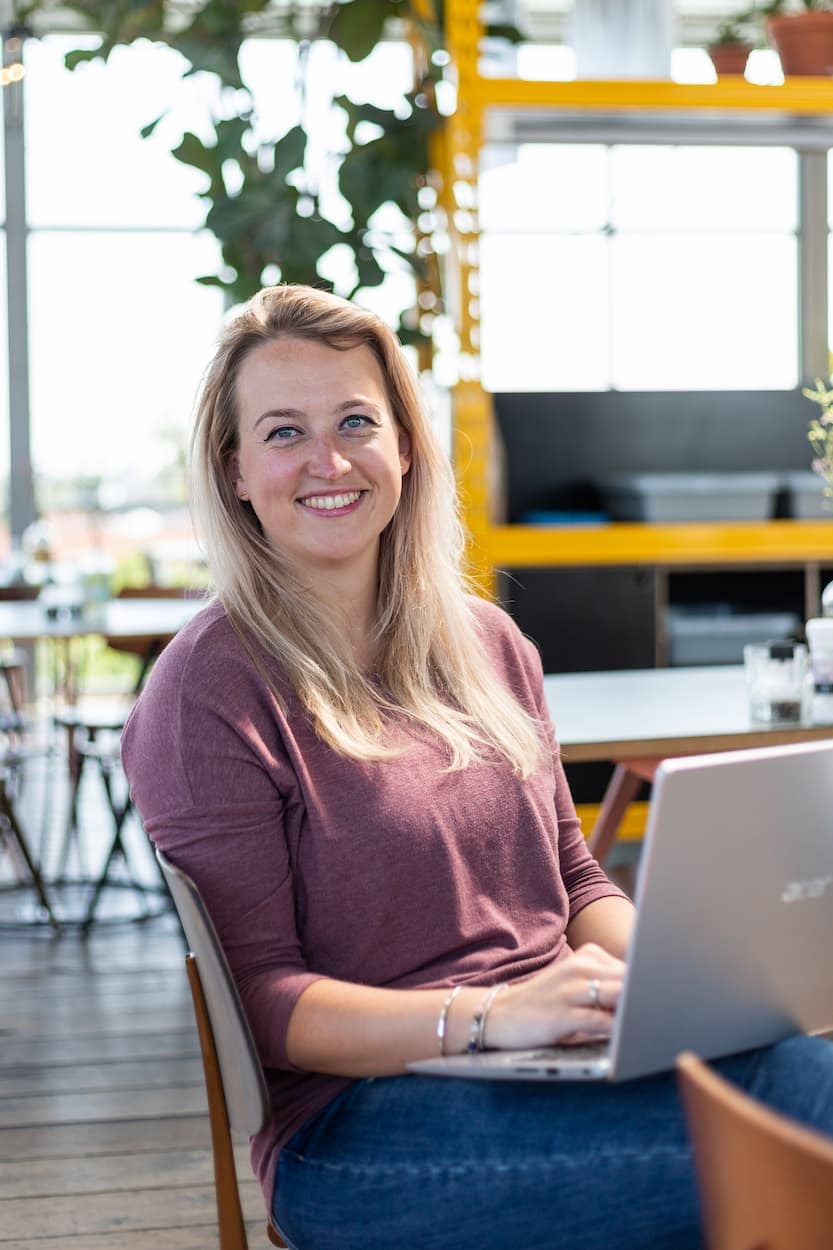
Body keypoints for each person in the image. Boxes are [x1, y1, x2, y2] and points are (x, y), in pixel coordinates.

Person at [122, 284, 833, 1250]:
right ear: (235, 470)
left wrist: (695, 971)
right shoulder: (205, 691)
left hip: (561, 1057)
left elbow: (577, 884)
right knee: (796, 1131)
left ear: (406, 448)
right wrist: (496, 1015)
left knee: (796, 1070)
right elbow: (267, 1004)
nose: (327, 461)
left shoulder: (489, 644)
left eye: (356, 422)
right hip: (362, 1127)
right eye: (284, 432)